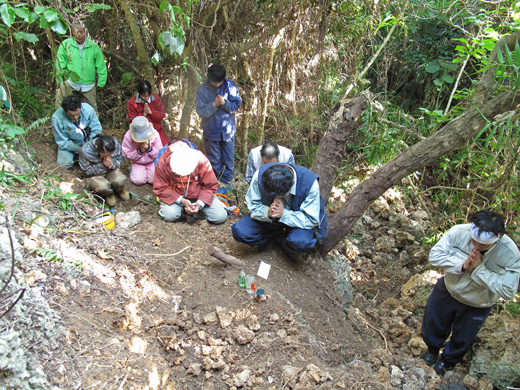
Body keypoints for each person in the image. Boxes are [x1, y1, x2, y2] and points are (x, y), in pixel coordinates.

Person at [420, 210, 520, 376]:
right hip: (449, 289)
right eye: (474, 241)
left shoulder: (510, 254)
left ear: (498, 239)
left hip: (478, 303)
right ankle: (431, 352)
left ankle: (446, 362)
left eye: (484, 245)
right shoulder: (459, 232)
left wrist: (479, 271)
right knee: (434, 322)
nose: (477, 246)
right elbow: (435, 255)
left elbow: (509, 290)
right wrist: (462, 265)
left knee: (463, 336)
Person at [231, 163, 328, 260]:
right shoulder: (259, 176)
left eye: (281, 195)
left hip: (296, 223)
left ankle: (285, 244)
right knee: (241, 232)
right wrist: (267, 212)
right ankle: (273, 237)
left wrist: (284, 214)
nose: (277, 199)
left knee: (300, 242)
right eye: (273, 196)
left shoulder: (309, 184)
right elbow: (253, 205)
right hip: (270, 219)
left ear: (293, 183)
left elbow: (311, 219)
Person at [153, 140, 227, 224]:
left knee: (219, 216)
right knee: (169, 215)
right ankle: (182, 213)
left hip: (199, 196)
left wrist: (200, 203)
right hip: (175, 199)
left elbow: (210, 185)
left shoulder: (200, 159)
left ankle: (193, 211)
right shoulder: (163, 162)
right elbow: (161, 188)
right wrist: (182, 201)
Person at [195, 65, 241, 184]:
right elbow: (201, 111)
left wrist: (225, 103)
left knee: (229, 159)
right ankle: (215, 183)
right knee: (214, 160)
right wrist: (214, 105)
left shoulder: (230, 86)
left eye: (220, 81)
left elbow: (236, 105)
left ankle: (227, 183)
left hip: (228, 131)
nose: (217, 84)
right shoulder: (202, 90)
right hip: (211, 131)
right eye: (215, 82)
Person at [55, 21, 107, 112]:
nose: (79, 34)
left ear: (85, 32)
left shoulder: (93, 46)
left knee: (91, 110)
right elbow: (60, 62)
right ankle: (61, 124)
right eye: (76, 32)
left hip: (88, 84)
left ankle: (92, 126)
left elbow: (101, 65)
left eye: (81, 32)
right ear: (72, 32)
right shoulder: (66, 45)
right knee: (60, 105)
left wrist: (101, 82)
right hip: (70, 81)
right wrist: (61, 79)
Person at [51, 95, 102, 168]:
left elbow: (96, 129)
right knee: (63, 164)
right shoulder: (57, 119)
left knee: (101, 154)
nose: (75, 117)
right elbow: (63, 142)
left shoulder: (88, 110)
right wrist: (79, 150)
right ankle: (77, 158)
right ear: (65, 112)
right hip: (71, 145)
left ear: (80, 108)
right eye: (71, 116)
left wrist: (91, 145)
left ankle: (82, 158)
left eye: (77, 114)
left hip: (88, 142)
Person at [79, 135, 129, 207]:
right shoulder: (86, 151)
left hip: (110, 170)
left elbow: (120, 160)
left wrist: (112, 163)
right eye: (105, 155)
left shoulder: (114, 143)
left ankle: (120, 189)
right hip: (94, 175)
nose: (107, 156)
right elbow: (86, 171)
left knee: (119, 180)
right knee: (103, 186)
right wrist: (102, 164)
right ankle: (108, 193)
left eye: (110, 154)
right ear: (96, 148)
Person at [122, 116, 162, 185]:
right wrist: (139, 152)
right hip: (137, 162)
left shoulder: (155, 133)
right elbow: (126, 154)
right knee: (138, 180)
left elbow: (160, 152)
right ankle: (133, 170)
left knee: (154, 180)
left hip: (152, 161)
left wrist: (150, 149)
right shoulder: (128, 136)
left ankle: (148, 172)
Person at [127, 80, 168, 146]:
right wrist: (143, 115)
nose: (146, 98)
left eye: (148, 96)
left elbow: (161, 115)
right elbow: (132, 121)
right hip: (140, 133)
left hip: (156, 131)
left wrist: (151, 113)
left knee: (165, 149)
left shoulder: (156, 99)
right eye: (144, 96)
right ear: (139, 94)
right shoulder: (132, 103)